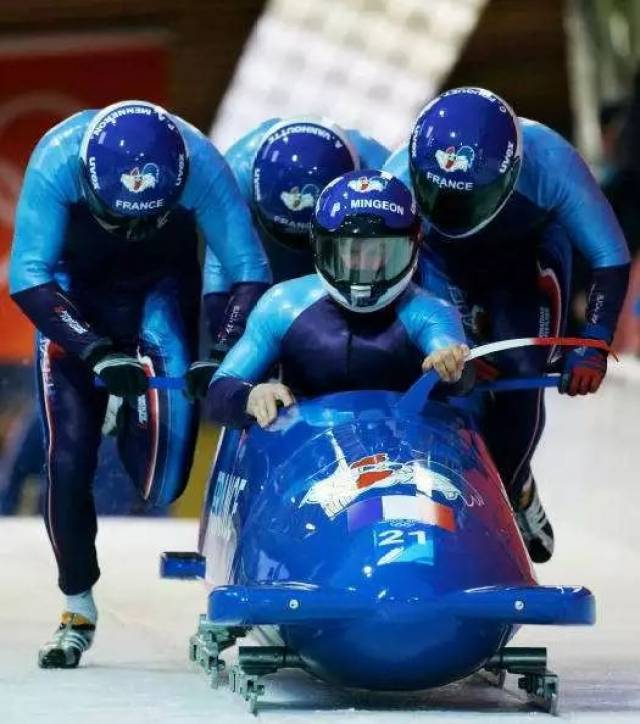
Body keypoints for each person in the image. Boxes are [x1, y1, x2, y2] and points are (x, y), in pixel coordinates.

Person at [9, 100, 271, 668]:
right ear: (90, 183)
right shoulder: (57, 158)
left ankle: (127, 409)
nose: (130, 233)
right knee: (68, 457)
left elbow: (248, 266)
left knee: (161, 483)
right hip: (73, 299)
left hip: (158, 294)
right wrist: (95, 350)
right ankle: (77, 605)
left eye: (146, 220)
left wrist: (222, 354)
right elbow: (27, 274)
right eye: (116, 218)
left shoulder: (199, 160)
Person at [384, 87, 630, 562]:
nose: (452, 210)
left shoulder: (552, 160)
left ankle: (513, 488)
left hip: (527, 264)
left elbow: (609, 255)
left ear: (513, 173)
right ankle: (457, 501)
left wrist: (594, 343)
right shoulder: (398, 174)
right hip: (441, 264)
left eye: (469, 199)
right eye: (436, 194)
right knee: (452, 379)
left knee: (519, 374)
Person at [204, 170, 468, 430]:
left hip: (403, 460)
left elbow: (461, 371)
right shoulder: (281, 305)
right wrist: (250, 396)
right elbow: (220, 389)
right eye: (350, 251)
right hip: (305, 461)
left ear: (412, 246)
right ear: (321, 246)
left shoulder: (433, 314)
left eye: (380, 251)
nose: (363, 265)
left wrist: (449, 362)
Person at [186, 118, 389, 399]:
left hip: (341, 248)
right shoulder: (235, 171)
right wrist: (226, 349)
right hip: (267, 248)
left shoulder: (383, 176)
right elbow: (222, 268)